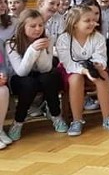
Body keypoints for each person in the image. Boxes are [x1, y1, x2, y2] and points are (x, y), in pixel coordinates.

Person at [55, 6, 109, 136]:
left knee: (102, 75)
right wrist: (85, 71)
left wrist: (97, 65)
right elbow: (68, 63)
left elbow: (101, 57)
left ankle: (108, 118)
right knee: (76, 79)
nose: (92, 23)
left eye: (93, 20)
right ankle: (77, 120)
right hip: (71, 70)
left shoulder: (98, 37)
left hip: (91, 67)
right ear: (74, 23)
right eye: (87, 21)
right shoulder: (64, 39)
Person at [4, 9, 68, 141]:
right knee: (29, 83)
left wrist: (41, 50)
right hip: (20, 79)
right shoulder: (11, 43)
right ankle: (18, 121)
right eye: (33, 26)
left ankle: (56, 116)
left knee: (49, 77)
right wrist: (33, 50)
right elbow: (21, 72)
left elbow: (46, 68)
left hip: (42, 75)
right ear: (22, 27)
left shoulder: (48, 39)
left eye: (40, 25)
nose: (38, 29)